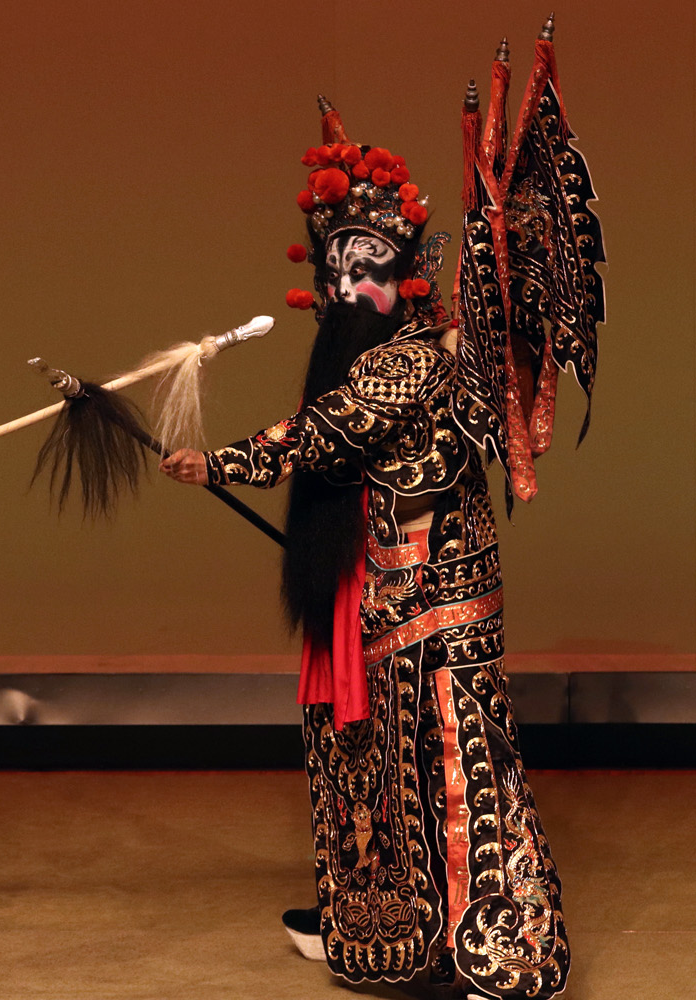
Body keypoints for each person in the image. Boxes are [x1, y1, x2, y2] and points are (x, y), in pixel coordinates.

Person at [160, 108, 574, 999]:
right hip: (389, 601)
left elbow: (328, 430)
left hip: (441, 606)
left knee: (460, 773)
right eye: (337, 270)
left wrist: (222, 462)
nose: (351, 286)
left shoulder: (414, 360)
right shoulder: (372, 357)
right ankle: (376, 922)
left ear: (409, 277)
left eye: (372, 270)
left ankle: (499, 952)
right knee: (381, 769)